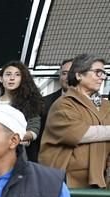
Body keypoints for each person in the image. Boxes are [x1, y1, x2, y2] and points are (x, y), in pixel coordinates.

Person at [39, 54, 110, 188]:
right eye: (97, 72)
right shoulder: (63, 104)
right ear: (79, 75)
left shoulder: (107, 106)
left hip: (101, 181)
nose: (102, 77)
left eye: (104, 73)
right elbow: (76, 133)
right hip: (66, 181)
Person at [0, 61, 44, 159]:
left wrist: (18, 138)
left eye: (17, 75)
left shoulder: (30, 103)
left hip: (19, 154)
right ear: (1, 79)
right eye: (8, 74)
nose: (12, 78)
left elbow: (34, 130)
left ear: (22, 79)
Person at [28, 58, 74, 162]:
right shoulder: (44, 103)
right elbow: (36, 140)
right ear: (59, 76)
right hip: (48, 164)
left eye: (71, 73)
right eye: (64, 73)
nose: (67, 77)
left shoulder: (91, 104)